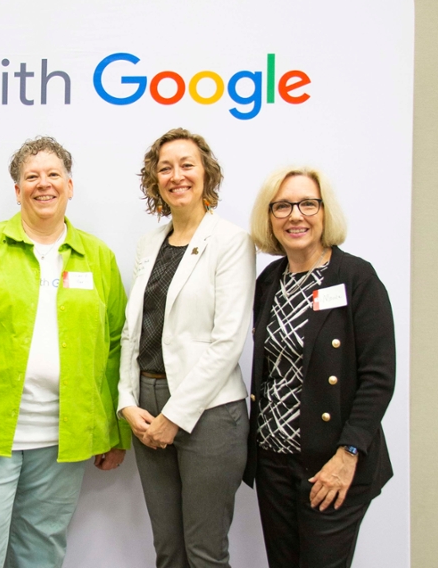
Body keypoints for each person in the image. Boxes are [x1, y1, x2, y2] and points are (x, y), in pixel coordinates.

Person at [0, 136, 129, 568]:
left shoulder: (98, 257)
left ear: (70, 186)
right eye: (31, 176)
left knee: (40, 551)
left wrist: (113, 431)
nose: (43, 184)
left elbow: (114, 348)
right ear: (17, 190)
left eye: (53, 174)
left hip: (63, 437)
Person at [244, 167, 395, 568]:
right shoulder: (268, 281)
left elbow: (379, 378)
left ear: (325, 212)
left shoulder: (356, 278)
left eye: (308, 203)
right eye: (282, 206)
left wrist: (348, 454)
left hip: (332, 462)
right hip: (273, 460)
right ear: (269, 217)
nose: (296, 215)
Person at [118, 127, 255, 568]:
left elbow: (228, 341)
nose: (176, 175)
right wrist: (126, 401)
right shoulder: (148, 243)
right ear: (154, 180)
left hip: (209, 413)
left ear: (206, 174)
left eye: (186, 165)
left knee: (205, 553)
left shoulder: (231, 242)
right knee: (168, 551)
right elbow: (132, 332)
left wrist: (175, 417)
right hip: (146, 406)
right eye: (165, 168)